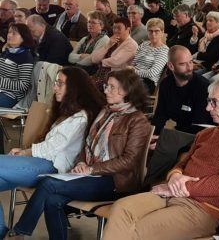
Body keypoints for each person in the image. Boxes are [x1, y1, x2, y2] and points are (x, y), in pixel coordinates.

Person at [103, 78, 219, 239]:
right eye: (209, 101)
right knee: (121, 208)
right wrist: (175, 177)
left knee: (138, 230)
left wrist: (185, 186)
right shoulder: (205, 134)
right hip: (174, 194)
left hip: (204, 209)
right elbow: (181, 164)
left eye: (214, 102)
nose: (208, 108)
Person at [6, 69, 151, 239]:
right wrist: (82, 162)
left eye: (112, 87)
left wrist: (92, 169)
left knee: (48, 184)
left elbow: (129, 161)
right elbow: (88, 144)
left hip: (115, 182)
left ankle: (19, 232)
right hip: (92, 175)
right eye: (106, 86)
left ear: (127, 91)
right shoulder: (105, 112)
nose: (105, 90)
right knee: (53, 201)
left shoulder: (137, 120)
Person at [0, 67, 104, 237]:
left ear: (74, 88)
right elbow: (48, 145)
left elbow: (50, 149)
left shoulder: (81, 117)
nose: (55, 87)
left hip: (52, 167)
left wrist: (25, 152)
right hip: (42, 163)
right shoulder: (68, 113)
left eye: (60, 84)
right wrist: (25, 151)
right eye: (56, 83)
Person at [145, 46, 212, 185]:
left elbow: (199, 124)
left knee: (165, 143)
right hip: (179, 132)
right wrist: (153, 135)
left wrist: (163, 139)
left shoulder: (203, 86)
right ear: (171, 66)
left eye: (191, 62)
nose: (189, 67)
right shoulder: (166, 85)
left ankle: (149, 185)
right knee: (146, 140)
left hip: (201, 134)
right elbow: (160, 115)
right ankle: (140, 180)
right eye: (183, 64)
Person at [90, 17, 139, 91]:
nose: (115, 31)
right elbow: (94, 59)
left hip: (117, 78)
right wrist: (108, 45)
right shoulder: (112, 41)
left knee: (89, 88)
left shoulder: (131, 44)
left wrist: (101, 61)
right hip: (101, 74)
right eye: (114, 28)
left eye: (119, 28)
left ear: (128, 29)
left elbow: (116, 61)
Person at [130, 18, 169, 94]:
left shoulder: (164, 50)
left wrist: (134, 71)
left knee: (122, 87)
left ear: (162, 32)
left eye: (156, 31)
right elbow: (134, 62)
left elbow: (152, 72)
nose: (153, 34)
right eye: (150, 31)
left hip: (148, 82)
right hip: (134, 77)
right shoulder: (144, 44)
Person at [0, 24, 35, 108]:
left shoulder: (25, 56)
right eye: (9, 32)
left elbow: (23, 85)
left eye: (14, 33)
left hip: (12, 95)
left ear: (23, 37)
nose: (9, 35)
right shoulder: (7, 52)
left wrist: (1, 82)